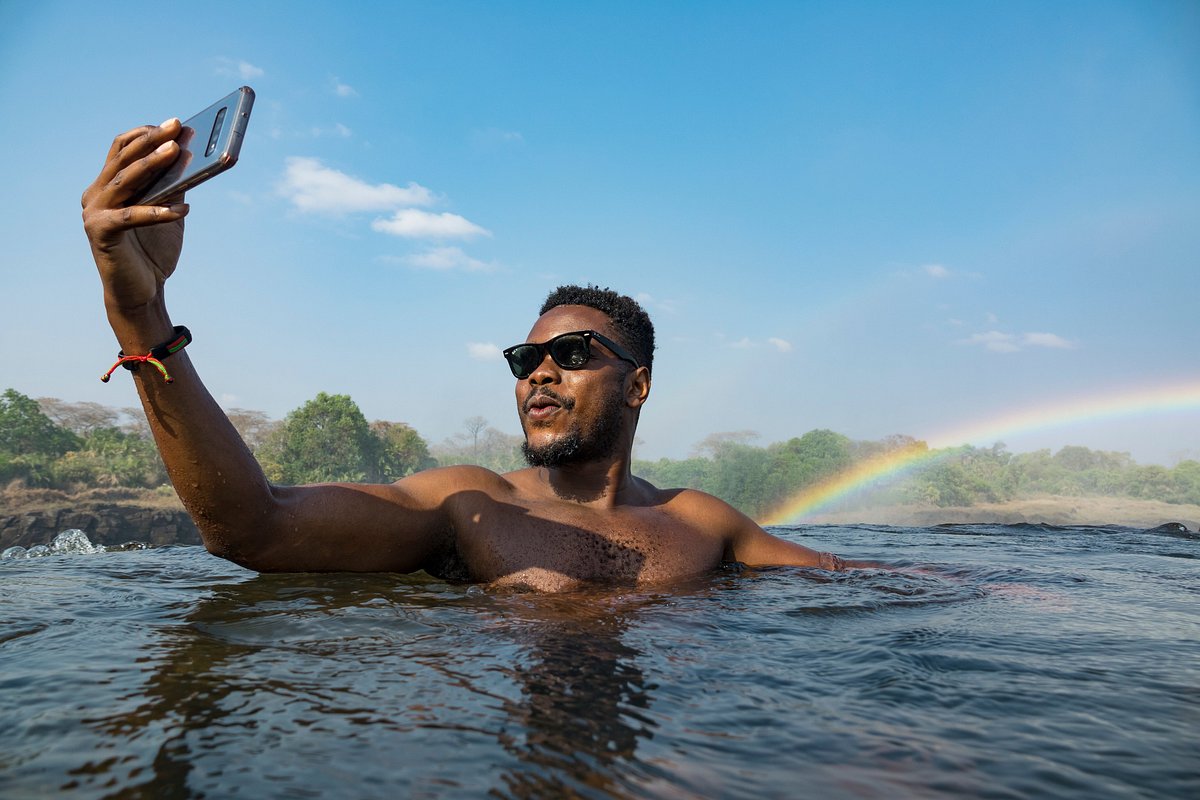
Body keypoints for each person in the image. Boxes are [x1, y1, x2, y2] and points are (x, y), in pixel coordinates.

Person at [82, 119, 872, 591]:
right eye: (523, 359)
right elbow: (253, 529)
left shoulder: (702, 521)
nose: (539, 372)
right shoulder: (469, 503)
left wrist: (999, 593)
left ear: (638, 387)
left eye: (570, 352)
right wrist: (140, 311)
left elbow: (853, 581)